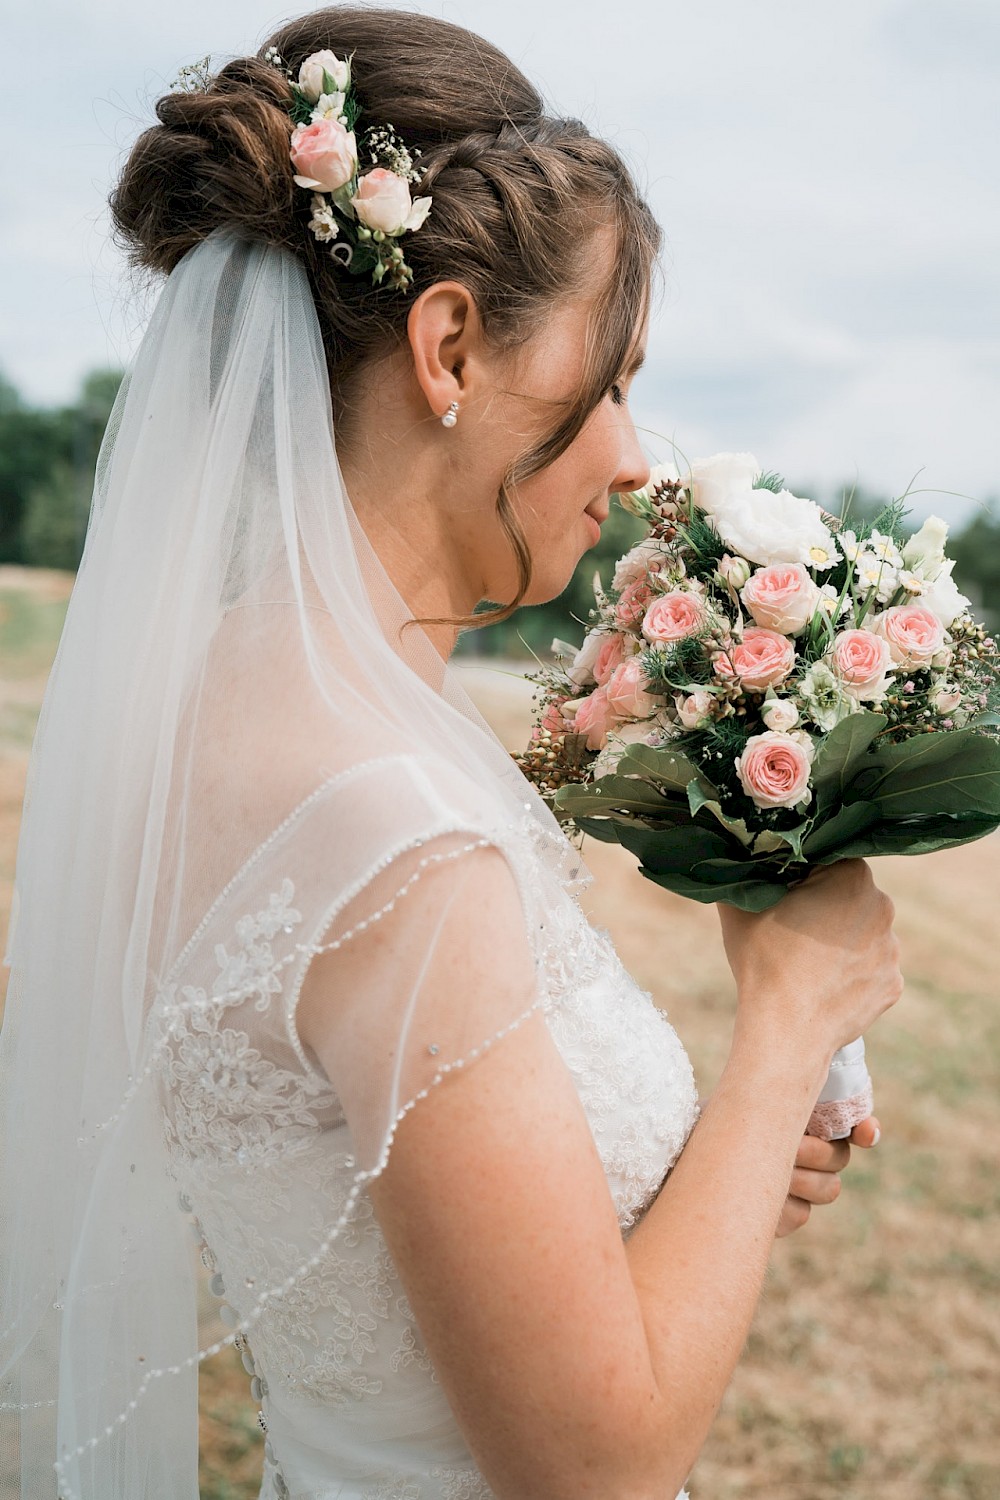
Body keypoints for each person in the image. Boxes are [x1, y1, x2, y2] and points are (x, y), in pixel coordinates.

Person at [0, 8, 901, 1499]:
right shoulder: (391, 829)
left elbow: (403, 1197)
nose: (634, 454)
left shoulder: (236, 711)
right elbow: (592, 1464)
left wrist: (714, 1186)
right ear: (451, 344)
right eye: (609, 379)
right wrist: (789, 1027)